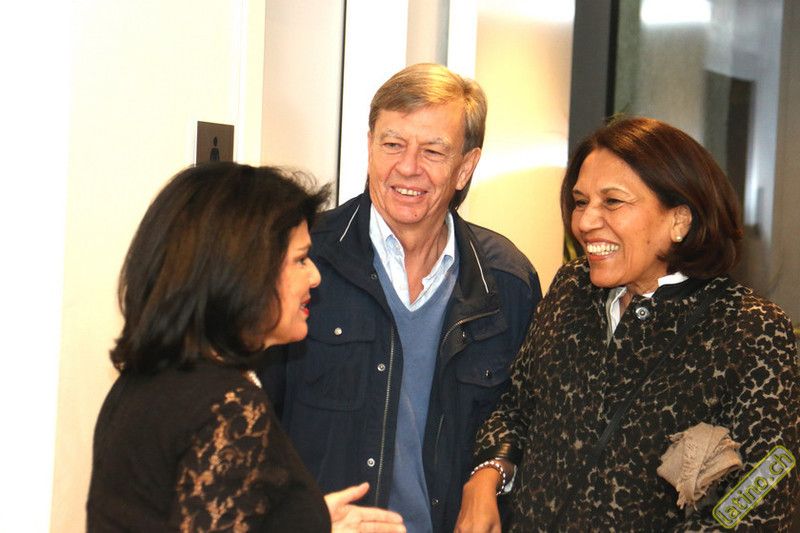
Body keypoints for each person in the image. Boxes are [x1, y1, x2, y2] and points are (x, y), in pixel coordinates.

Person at [455, 117, 800, 531]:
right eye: (581, 202)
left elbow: (763, 489)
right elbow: (516, 408)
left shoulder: (751, 329)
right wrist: (487, 475)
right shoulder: (572, 289)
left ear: (680, 220)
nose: (585, 222)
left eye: (613, 202)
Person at [260, 63, 542, 533]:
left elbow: (524, 421)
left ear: (465, 167)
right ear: (370, 147)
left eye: (433, 150)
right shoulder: (305, 262)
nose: (408, 167)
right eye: (392, 144)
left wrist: (493, 472)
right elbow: (255, 426)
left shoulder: (507, 281)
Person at [87, 162, 406, 533]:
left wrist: (309, 521)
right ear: (244, 270)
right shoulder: (227, 407)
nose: (315, 276)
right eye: (300, 259)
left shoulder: (146, 380)